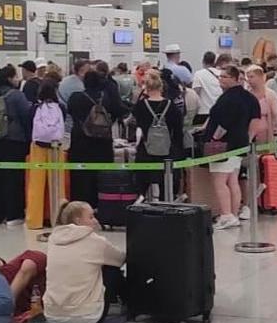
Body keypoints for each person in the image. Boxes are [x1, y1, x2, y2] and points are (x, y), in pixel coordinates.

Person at [44, 201, 127, 323]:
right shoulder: (96, 242)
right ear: (77, 220)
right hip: (86, 319)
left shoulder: (53, 239)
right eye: (91, 217)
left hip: (52, 316)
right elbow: (121, 259)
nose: (95, 220)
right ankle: (131, 305)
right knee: (111, 269)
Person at [204, 65, 260, 230]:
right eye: (220, 76)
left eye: (224, 77)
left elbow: (222, 124)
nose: (221, 80)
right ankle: (233, 214)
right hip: (240, 144)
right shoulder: (250, 98)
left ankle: (226, 214)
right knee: (233, 180)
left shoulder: (227, 99)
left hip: (223, 145)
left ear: (236, 79)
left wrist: (214, 138)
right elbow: (255, 122)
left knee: (220, 181)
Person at [67, 70, 129, 207]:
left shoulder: (75, 98)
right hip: (102, 144)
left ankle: (80, 209)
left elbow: (70, 112)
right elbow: (120, 111)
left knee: (81, 180)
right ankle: (101, 207)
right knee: (102, 178)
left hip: (80, 144)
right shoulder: (106, 98)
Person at [0, 65, 32, 227]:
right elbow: (26, 117)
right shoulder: (17, 96)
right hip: (13, 142)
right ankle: (13, 215)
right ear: (9, 78)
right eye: (15, 76)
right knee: (13, 179)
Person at [134, 71, 184, 201]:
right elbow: (178, 131)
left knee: (142, 180)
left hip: (146, 150)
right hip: (167, 151)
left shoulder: (140, 106)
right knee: (165, 182)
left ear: (146, 87)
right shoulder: (172, 106)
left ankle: (142, 199)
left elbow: (135, 124)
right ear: (161, 87)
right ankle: (165, 205)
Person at [26, 81, 67, 230]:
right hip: (56, 147)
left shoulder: (35, 108)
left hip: (38, 146)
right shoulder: (61, 108)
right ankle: (58, 218)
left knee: (36, 185)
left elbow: (29, 124)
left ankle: (34, 220)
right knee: (57, 185)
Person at [245, 65, 277, 145]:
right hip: (249, 132)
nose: (249, 80)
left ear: (260, 77)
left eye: (252, 77)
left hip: (267, 133)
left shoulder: (271, 94)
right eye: (248, 77)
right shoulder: (246, 94)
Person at [192, 52, 223, 126]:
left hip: (203, 112)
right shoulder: (221, 74)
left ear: (203, 61)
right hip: (219, 111)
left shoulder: (198, 74)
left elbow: (196, 93)